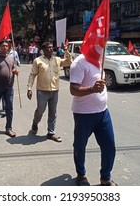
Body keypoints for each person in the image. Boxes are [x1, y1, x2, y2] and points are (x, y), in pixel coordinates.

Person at [69, 53, 117, 186]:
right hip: (83, 114)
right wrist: (92, 89)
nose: (102, 46)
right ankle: (81, 175)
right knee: (80, 146)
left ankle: (105, 177)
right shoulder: (79, 63)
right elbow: (73, 89)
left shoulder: (100, 59)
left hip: (103, 112)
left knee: (109, 146)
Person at [27, 41, 72, 142]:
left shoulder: (57, 59)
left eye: (52, 47)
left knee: (53, 112)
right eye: (48, 47)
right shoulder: (37, 61)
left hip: (54, 91)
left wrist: (66, 50)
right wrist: (29, 88)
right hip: (42, 91)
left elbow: (69, 62)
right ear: (43, 50)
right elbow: (32, 74)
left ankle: (51, 133)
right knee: (40, 110)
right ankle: (35, 123)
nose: (51, 49)